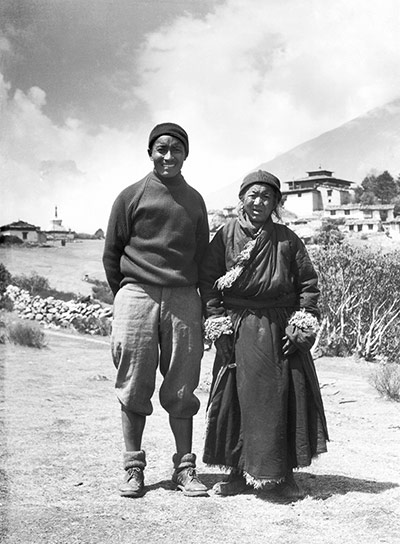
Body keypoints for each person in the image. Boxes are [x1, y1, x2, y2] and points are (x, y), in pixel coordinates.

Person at [199, 170, 328, 497]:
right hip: (239, 330)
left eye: (266, 197)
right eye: (252, 195)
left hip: (279, 330)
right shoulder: (226, 236)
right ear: (241, 198)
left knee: (284, 398)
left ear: (275, 203)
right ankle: (237, 473)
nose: (258, 202)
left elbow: (308, 286)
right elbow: (209, 282)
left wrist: (301, 326)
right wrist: (219, 325)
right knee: (235, 399)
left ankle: (284, 475)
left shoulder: (287, 239)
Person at [103, 122, 210, 498]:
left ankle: (185, 469)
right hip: (136, 296)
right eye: (161, 149)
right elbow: (112, 253)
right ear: (150, 153)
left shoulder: (195, 200)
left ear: (185, 153)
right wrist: (128, 294)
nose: (168, 156)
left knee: (182, 385)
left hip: (183, 297)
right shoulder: (131, 196)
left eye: (176, 149)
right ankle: (134, 469)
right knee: (134, 384)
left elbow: (201, 254)